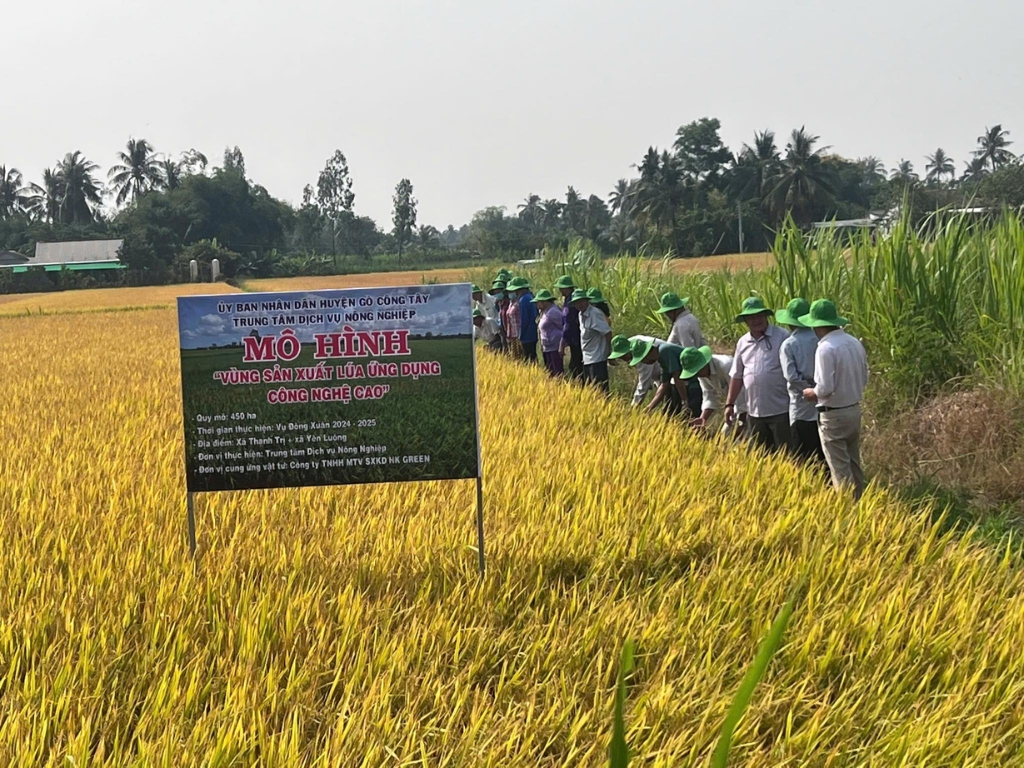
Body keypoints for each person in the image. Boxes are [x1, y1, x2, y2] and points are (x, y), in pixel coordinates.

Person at [800, 299, 869, 499]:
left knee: (839, 468)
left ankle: (846, 511)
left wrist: (809, 393)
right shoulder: (854, 342)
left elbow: (824, 388)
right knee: (854, 462)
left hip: (833, 415)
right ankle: (861, 504)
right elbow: (865, 377)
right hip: (854, 410)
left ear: (817, 325)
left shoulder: (825, 348)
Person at [725, 297, 791, 452]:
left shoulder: (782, 336)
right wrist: (729, 404)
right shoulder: (743, 342)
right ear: (746, 321)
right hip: (755, 411)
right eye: (751, 317)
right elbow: (737, 375)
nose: (756, 320)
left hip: (781, 409)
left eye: (759, 315)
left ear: (765, 316)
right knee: (761, 455)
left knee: (786, 455)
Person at [776, 298, 825, 466]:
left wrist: (808, 390)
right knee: (824, 458)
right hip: (824, 407)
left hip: (801, 409)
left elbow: (791, 376)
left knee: (804, 461)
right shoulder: (821, 340)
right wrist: (819, 390)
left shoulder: (789, 344)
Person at [678, 345, 747, 437]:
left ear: (704, 364)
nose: (696, 375)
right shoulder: (702, 374)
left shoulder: (726, 366)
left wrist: (740, 424)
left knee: (748, 439)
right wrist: (703, 419)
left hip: (752, 402)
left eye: (696, 372)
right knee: (724, 438)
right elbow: (709, 395)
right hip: (735, 406)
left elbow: (741, 395)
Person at [630, 338, 690, 418]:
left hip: (694, 382)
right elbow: (664, 384)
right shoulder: (661, 359)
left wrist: (684, 402)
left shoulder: (664, 351)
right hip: (686, 384)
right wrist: (649, 408)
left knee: (689, 419)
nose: (644, 363)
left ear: (647, 354)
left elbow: (677, 376)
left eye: (642, 359)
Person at [570, 288, 612, 392]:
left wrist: (609, 352)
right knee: (591, 391)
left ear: (587, 300)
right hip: (587, 358)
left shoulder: (595, 314)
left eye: (582, 301)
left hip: (597, 359)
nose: (580, 304)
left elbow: (607, 332)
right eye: (576, 302)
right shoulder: (580, 315)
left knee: (600, 391)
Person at [609, 334, 665, 407]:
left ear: (627, 351)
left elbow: (643, 384)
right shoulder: (630, 343)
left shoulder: (641, 353)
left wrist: (634, 407)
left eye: (623, 356)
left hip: (671, 372)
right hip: (662, 375)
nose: (622, 359)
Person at [555, 275, 584, 381]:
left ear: (566, 288)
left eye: (561, 288)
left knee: (576, 366)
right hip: (576, 339)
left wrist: (562, 343)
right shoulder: (568, 300)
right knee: (575, 365)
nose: (559, 290)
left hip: (576, 339)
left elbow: (568, 324)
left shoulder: (570, 303)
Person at [533, 289, 564, 376]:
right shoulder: (544, 312)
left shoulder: (553, 311)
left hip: (554, 347)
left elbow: (563, 326)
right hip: (547, 347)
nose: (536, 305)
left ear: (544, 302)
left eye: (538, 302)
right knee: (550, 372)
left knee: (557, 372)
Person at [507, 277, 538, 362]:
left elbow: (524, 320)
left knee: (528, 358)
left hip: (527, 335)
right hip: (533, 333)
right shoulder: (530, 297)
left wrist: (520, 336)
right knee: (533, 356)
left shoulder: (523, 300)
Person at [502, 277, 523, 358]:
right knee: (515, 359)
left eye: (511, 291)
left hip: (519, 335)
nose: (510, 293)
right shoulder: (511, 303)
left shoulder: (519, 302)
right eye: (509, 291)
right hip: (512, 335)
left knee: (522, 358)